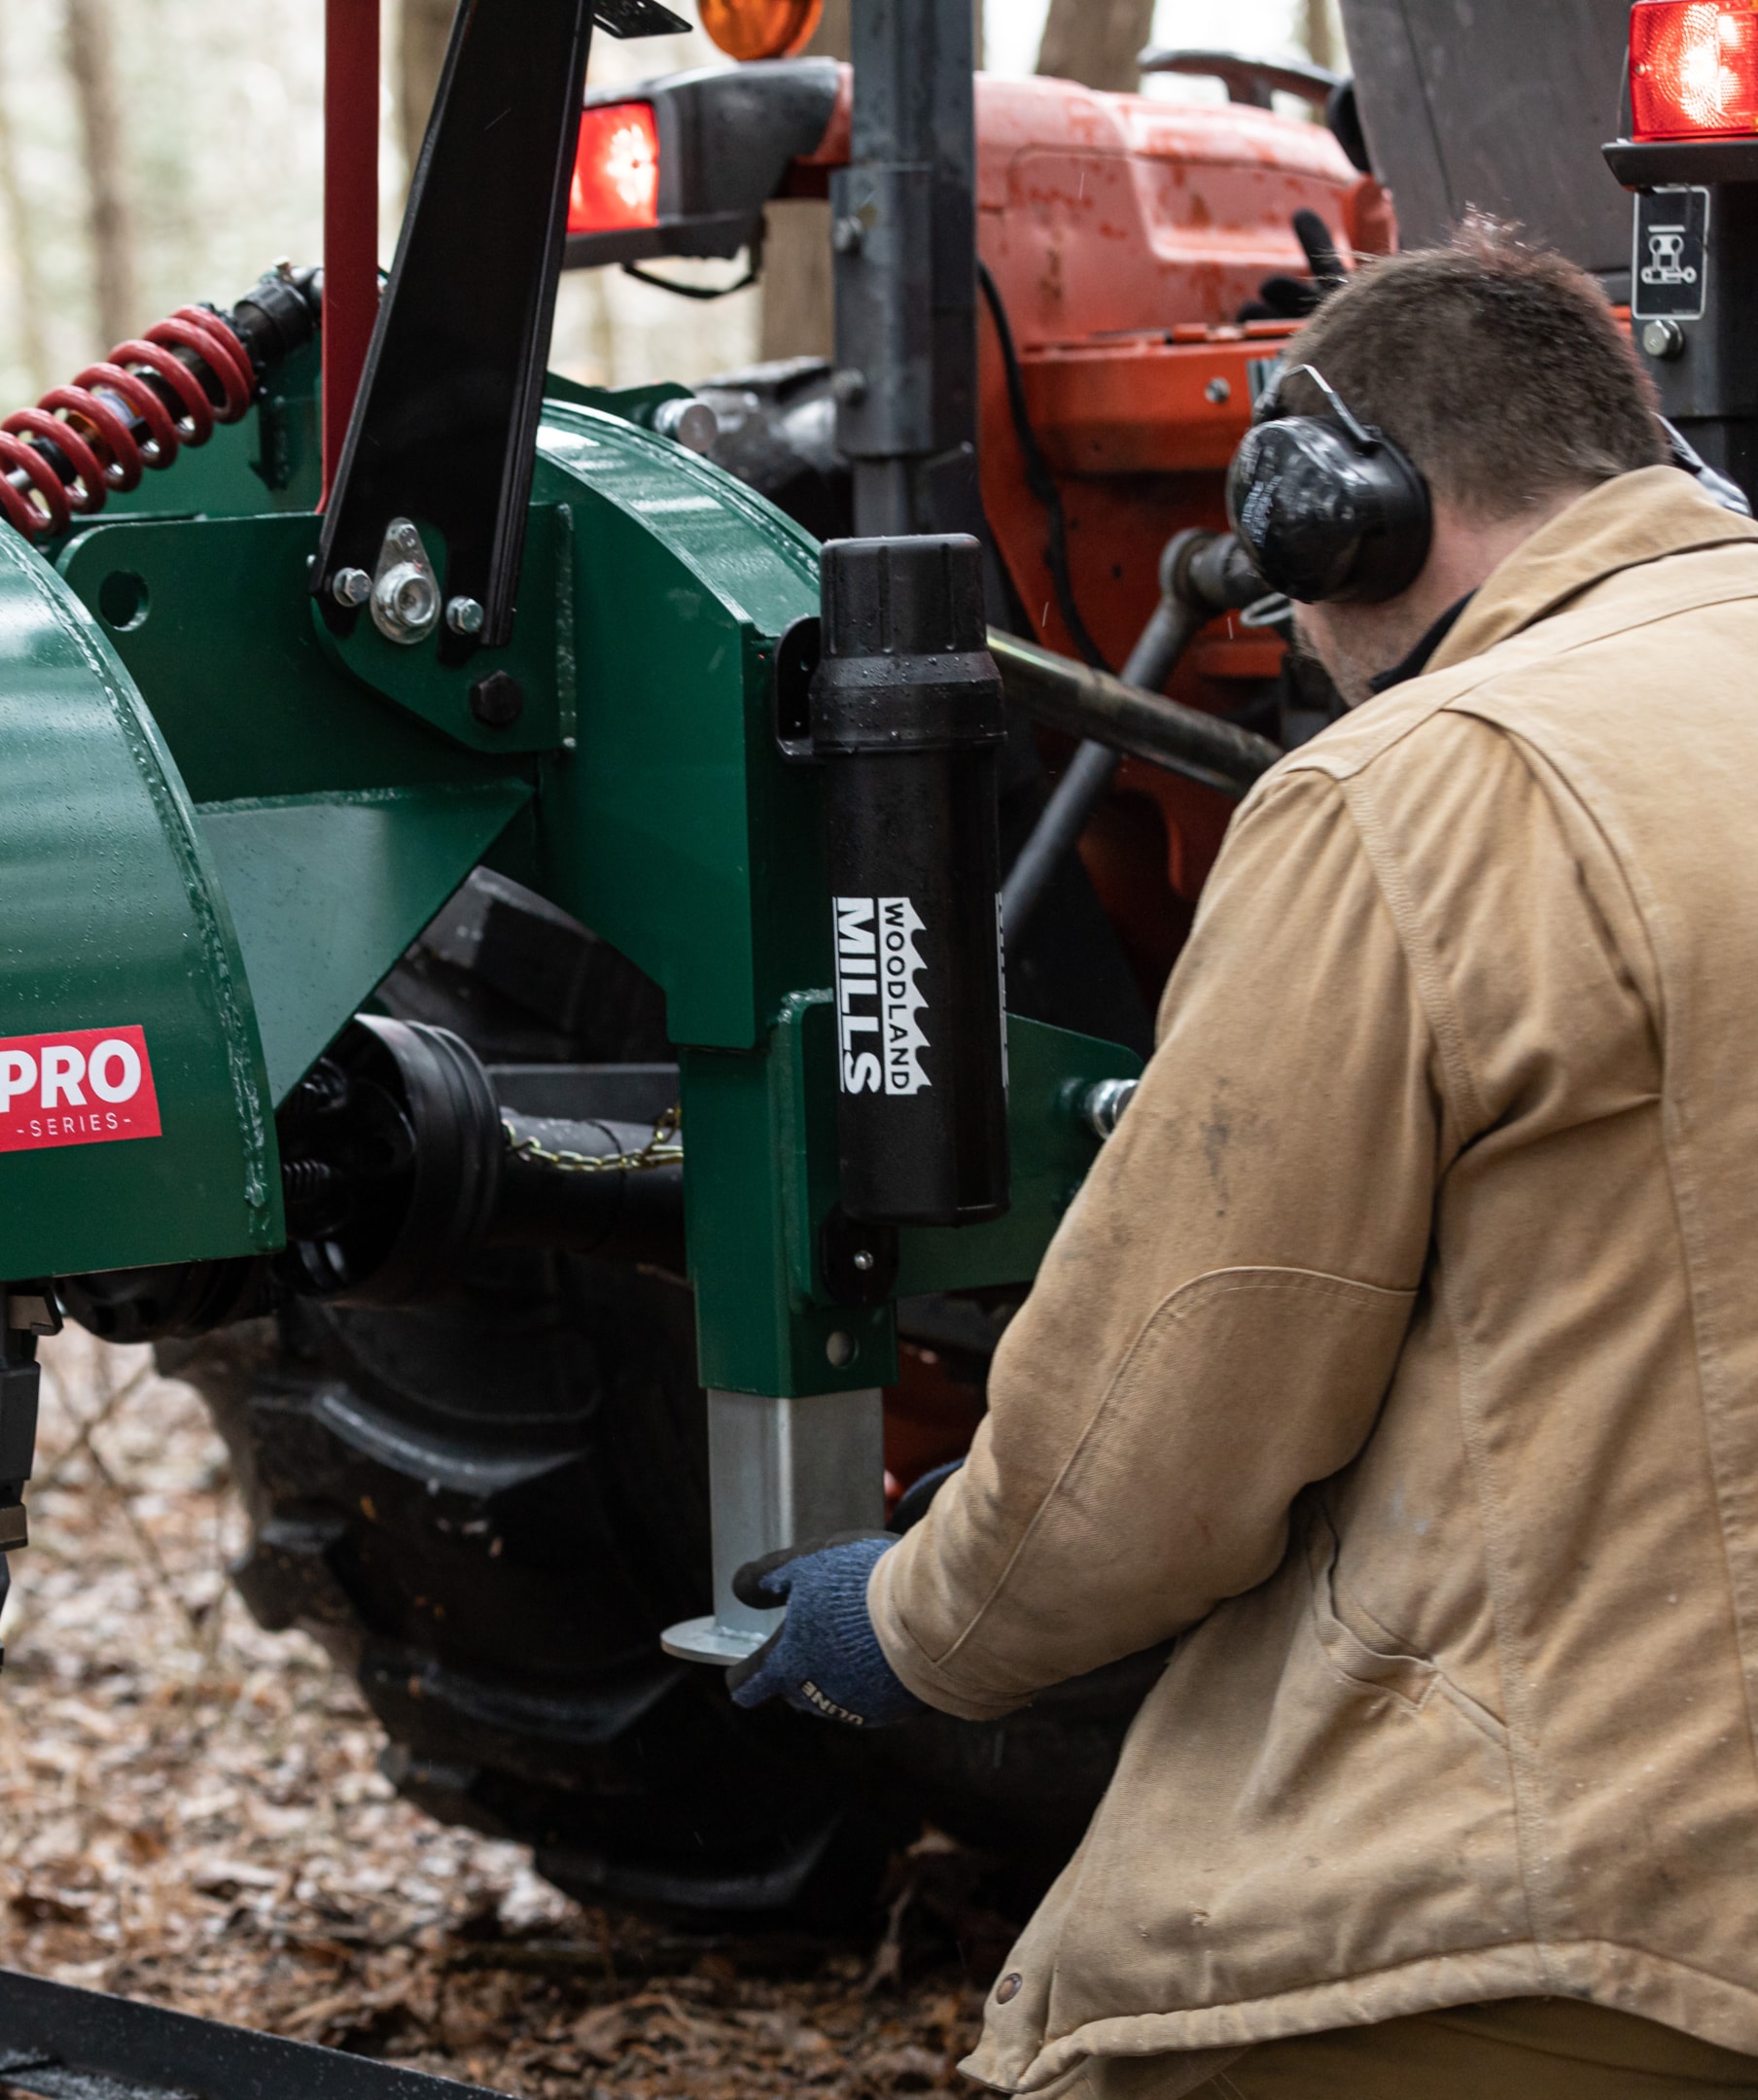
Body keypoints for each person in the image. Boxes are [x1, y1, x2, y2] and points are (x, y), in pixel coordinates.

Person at [731, 219, 1758, 2097]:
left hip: (1618, 1912)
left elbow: (1160, 1435)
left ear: (1331, 512)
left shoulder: (1421, 791)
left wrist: (905, 1621)